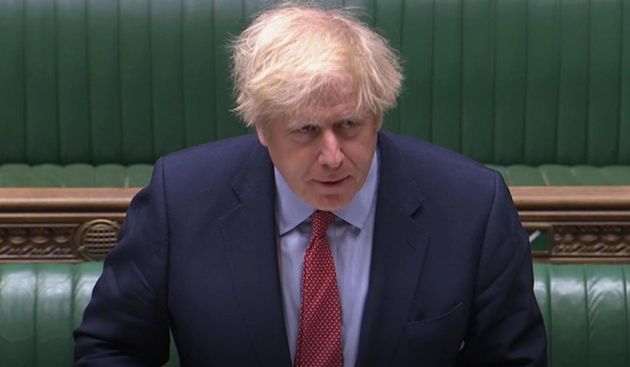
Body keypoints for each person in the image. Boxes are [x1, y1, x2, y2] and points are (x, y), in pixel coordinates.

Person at [74, 3, 547, 366]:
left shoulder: (471, 206)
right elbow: (111, 348)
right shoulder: (180, 199)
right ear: (261, 128)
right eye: (305, 131)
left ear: (377, 114)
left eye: (349, 125)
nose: (333, 156)